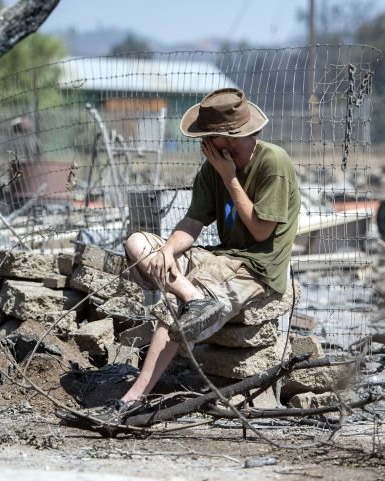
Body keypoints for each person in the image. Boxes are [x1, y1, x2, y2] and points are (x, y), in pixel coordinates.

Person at [110, 87, 301, 422]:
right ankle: (195, 298)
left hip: (254, 268)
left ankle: (134, 397)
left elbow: (260, 231)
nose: (203, 145)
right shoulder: (212, 169)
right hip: (220, 258)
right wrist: (167, 251)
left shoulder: (273, 163)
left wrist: (231, 179)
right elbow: (194, 220)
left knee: (178, 314)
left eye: (207, 137)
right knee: (139, 244)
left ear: (223, 139)